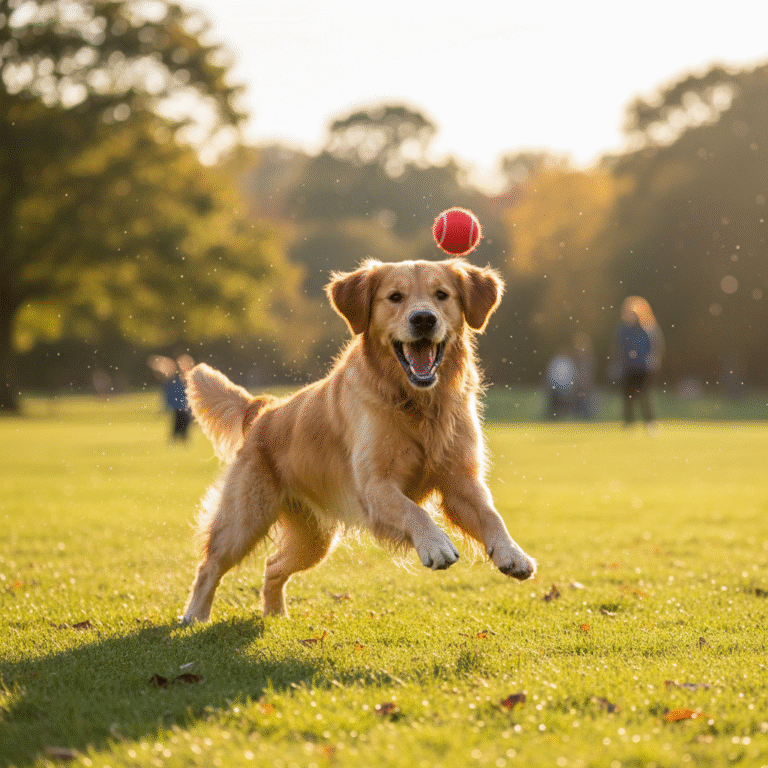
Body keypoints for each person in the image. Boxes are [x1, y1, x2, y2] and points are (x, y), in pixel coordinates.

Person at [612, 296, 664, 431]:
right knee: (628, 397)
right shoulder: (623, 329)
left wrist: (653, 360)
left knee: (645, 396)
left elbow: (656, 346)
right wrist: (616, 364)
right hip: (628, 367)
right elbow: (618, 347)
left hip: (644, 368)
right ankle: (629, 423)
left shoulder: (648, 327)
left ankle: (650, 423)